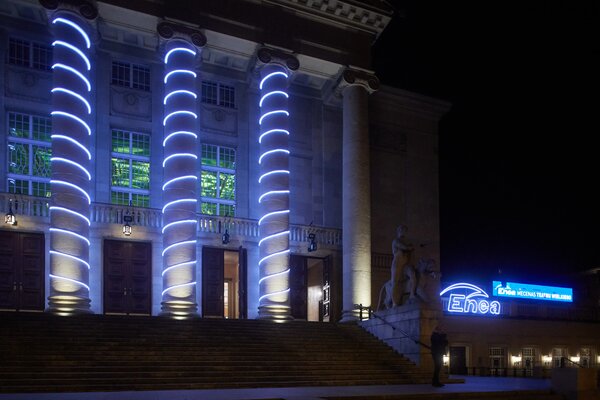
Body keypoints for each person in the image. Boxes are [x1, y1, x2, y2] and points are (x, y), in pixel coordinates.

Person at [390, 224, 415, 306]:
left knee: (412, 274)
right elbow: (404, 247)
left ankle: (412, 295)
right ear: (398, 231)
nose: (403, 232)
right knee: (395, 282)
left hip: (405, 264)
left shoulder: (406, 242)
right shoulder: (396, 241)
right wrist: (409, 247)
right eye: (401, 230)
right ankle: (394, 303)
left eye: (404, 230)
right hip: (397, 264)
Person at [430, 323, 448, 387]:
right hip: (436, 353)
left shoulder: (438, 336)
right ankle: (435, 381)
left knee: (438, 367)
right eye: (440, 329)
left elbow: (445, 343)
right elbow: (440, 342)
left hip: (439, 352)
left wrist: (443, 335)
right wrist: (443, 335)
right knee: (437, 367)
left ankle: (435, 381)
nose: (442, 330)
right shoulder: (434, 336)